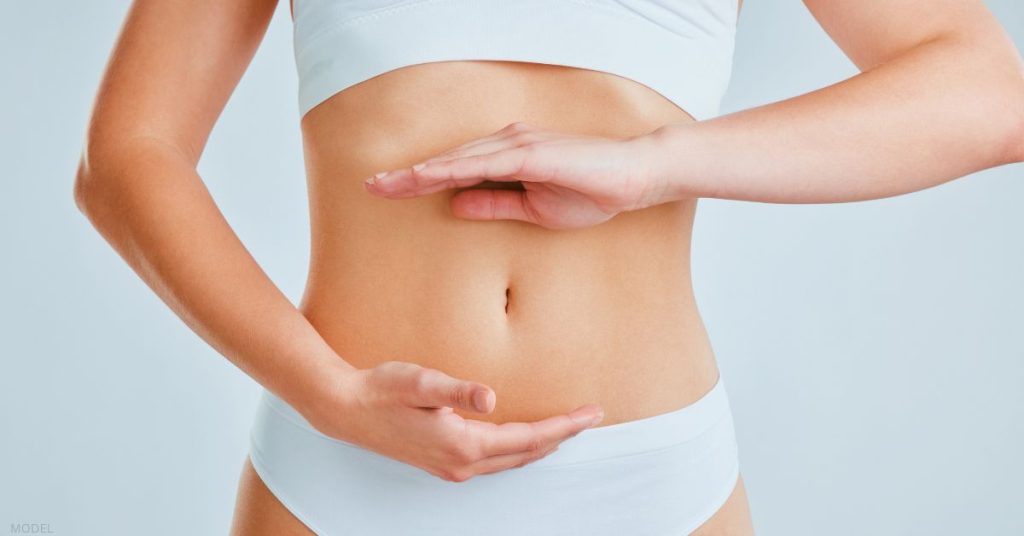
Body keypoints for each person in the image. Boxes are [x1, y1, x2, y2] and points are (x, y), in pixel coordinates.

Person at [73, 0, 1023, 534]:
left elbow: (987, 93)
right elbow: (127, 154)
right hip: (344, 473)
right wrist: (327, 395)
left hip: (652, 483)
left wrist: (657, 164)